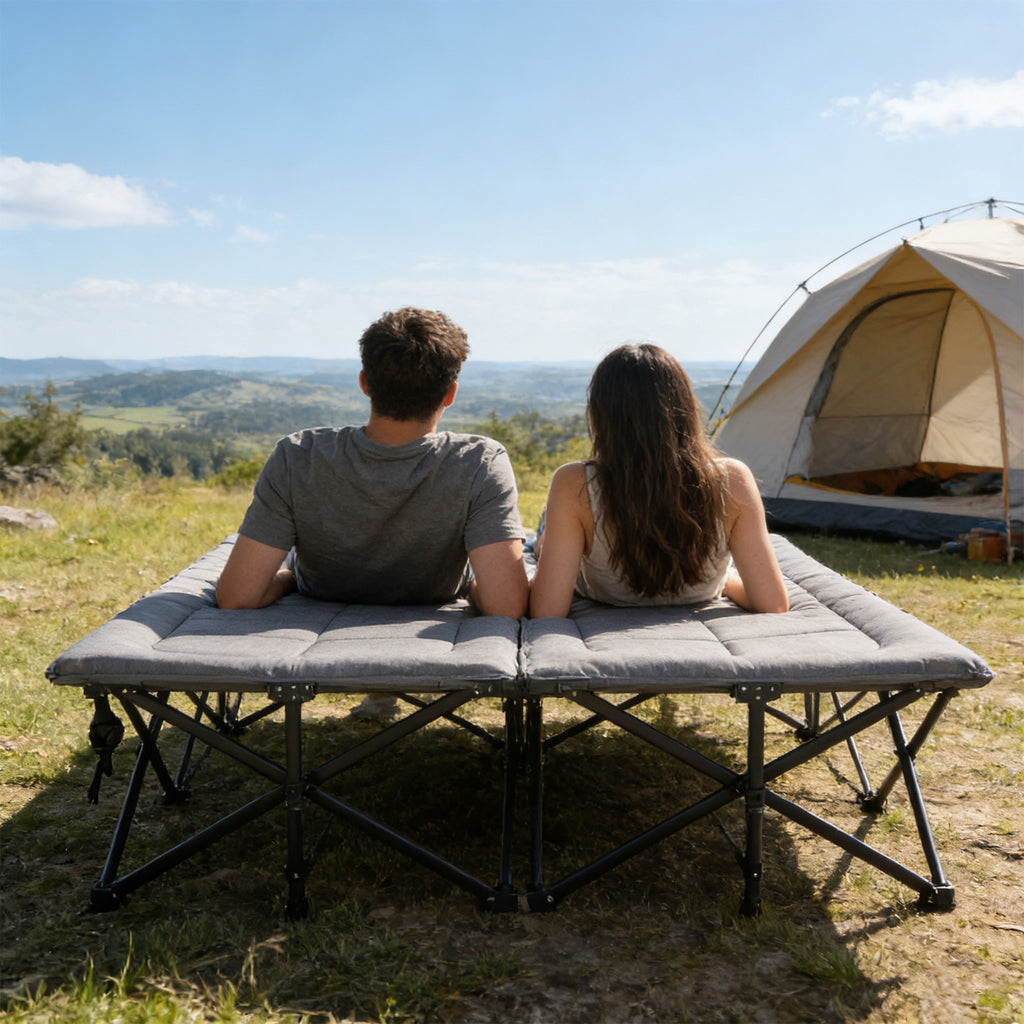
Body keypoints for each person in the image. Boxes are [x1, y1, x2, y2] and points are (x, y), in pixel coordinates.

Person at [217, 307, 529, 625]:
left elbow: (237, 596)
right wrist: (471, 589)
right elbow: (505, 604)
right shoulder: (479, 462)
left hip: (318, 592)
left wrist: (290, 579)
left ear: (364, 382)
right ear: (450, 394)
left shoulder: (298, 455)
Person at [528, 343, 789, 618]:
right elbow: (772, 604)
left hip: (594, 576)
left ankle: (542, 542)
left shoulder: (574, 483)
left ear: (601, 415)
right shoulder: (733, 480)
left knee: (548, 534)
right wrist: (722, 583)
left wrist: (542, 568)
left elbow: (547, 611)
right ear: (686, 408)